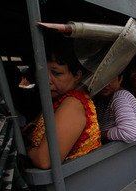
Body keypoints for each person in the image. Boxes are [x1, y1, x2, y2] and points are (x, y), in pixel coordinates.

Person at [27, 41, 101, 169]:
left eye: (56, 73)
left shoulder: (73, 104)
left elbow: (45, 160)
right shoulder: (60, 100)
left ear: (77, 76)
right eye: (43, 72)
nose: (46, 80)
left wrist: (26, 149)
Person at [95, 75, 136, 143]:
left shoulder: (120, 97)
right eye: (101, 80)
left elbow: (128, 133)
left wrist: (99, 135)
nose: (106, 84)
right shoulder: (103, 101)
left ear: (120, 79)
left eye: (110, 79)